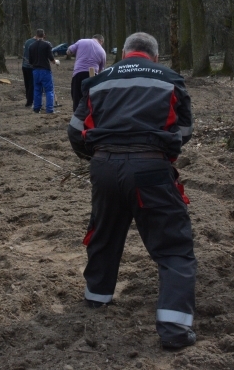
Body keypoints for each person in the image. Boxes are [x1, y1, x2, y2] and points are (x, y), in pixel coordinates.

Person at [67, 32, 196, 350]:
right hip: (151, 168)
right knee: (173, 246)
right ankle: (175, 329)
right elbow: (185, 129)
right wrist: (163, 150)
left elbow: (75, 130)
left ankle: (96, 297)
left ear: (123, 53)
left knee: (104, 232)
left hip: (105, 166)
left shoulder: (98, 80)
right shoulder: (170, 79)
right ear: (155, 56)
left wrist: (96, 156)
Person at [66, 34, 107, 111]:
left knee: (76, 97)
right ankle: (89, 117)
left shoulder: (82, 41)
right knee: (90, 99)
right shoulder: (102, 51)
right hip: (93, 76)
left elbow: (69, 51)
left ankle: (77, 117)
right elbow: (101, 69)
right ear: (101, 41)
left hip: (78, 73)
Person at [28, 29, 58, 114]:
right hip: (45, 70)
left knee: (37, 90)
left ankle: (37, 108)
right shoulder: (46, 45)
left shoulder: (31, 46)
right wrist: (55, 62)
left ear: (36, 35)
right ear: (44, 35)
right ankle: (49, 109)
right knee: (49, 90)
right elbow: (51, 58)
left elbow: (30, 61)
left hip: (35, 71)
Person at [21, 34, 37, 107]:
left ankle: (28, 98)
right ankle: (29, 102)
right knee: (32, 85)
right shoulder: (35, 43)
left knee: (27, 84)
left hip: (24, 66)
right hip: (31, 66)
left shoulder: (27, 41)